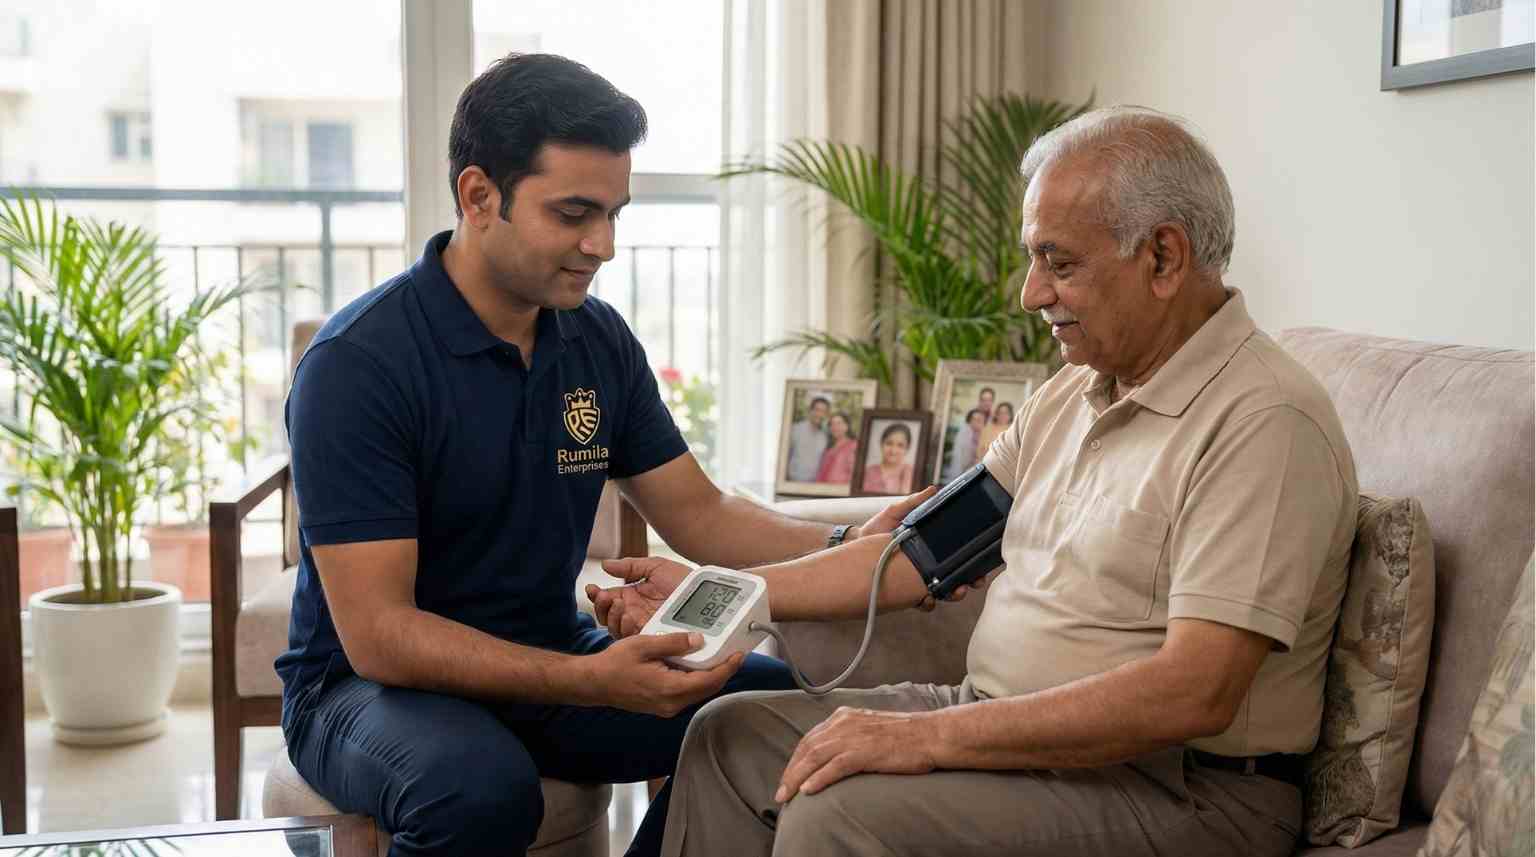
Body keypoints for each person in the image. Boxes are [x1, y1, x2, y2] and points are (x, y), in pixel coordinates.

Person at [591, 106, 1358, 857]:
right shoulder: (1076, 392)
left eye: (1059, 263)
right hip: (1001, 720)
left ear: (1162, 256)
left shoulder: (1264, 420)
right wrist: (725, 589)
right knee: (730, 738)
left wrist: (925, 737)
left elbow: (1196, 690)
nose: (1030, 294)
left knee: (840, 808)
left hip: (1181, 788)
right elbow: (918, 554)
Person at [279, 53, 914, 857]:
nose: (603, 244)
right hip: (365, 690)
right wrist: (593, 678)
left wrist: (850, 547)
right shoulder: (360, 364)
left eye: (614, 213)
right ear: (479, 196)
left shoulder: (596, 338)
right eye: (575, 212)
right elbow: (381, 634)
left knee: (782, 716)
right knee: (479, 789)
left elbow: (702, 513)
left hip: (546, 650)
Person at [860, 422, 915, 494]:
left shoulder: (910, 473)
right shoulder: (868, 472)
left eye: (900, 445)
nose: (893, 450)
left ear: (907, 449)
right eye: (889, 443)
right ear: (881, 443)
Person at [784, 396, 830, 481]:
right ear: (810, 411)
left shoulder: (824, 436)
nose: (819, 414)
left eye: (823, 411)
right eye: (817, 410)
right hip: (792, 482)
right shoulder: (795, 429)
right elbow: (784, 456)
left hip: (813, 485)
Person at [940, 408, 987, 483]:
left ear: (984, 422)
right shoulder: (964, 433)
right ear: (969, 420)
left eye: (979, 420)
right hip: (961, 472)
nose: (976, 422)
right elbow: (960, 458)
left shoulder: (985, 435)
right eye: (973, 419)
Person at [815, 412, 858, 485]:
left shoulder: (853, 446)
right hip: (822, 490)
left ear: (846, 426)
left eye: (839, 423)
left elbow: (854, 475)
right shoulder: (829, 448)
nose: (835, 427)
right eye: (832, 424)